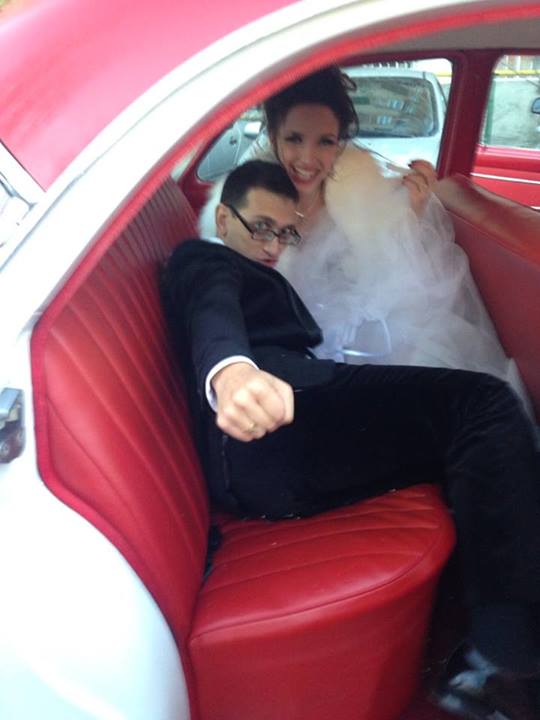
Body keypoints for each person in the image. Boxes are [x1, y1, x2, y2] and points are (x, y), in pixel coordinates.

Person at [165, 160, 540, 720]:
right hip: (277, 428)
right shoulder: (204, 260)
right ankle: (503, 659)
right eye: (260, 227)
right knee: (483, 402)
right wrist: (231, 373)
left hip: (292, 420)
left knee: (466, 432)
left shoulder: (256, 267)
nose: (272, 245)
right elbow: (210, 310)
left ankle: (486, 628)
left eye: (284, 232)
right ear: (223, 219)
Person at [198, 66, 531, 414]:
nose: (308, 159)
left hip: (363, 347)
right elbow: (221, 295)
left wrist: (410, 215)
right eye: (294, 139)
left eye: (325, 141)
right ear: (272, 135)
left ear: (340, 143)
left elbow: (397, 286)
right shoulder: (241, 209)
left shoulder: (363, 196)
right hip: (281, 355)